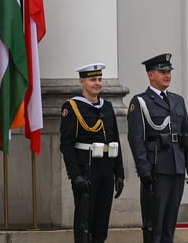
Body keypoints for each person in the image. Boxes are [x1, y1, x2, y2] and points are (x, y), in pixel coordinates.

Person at [127, 53, 188, 243]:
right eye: (162, 71)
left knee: (169, 223)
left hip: (176, 167)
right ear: (150, 75)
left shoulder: (177, 100)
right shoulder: (140, 102)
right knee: (154, 224)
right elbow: (136, 139)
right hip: (157, 168)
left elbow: (186, 137)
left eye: (168, 71)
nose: (167, 75)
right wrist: (144, 169)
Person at [59, 63, 125, 243]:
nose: (97, 83)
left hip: (106, 167)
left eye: (99, 79)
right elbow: (66, 145)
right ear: (82, 81)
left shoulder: (108, 107)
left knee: (101, 223)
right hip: (86, 170)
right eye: (92, 79)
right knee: (84, 223)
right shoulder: (72, 107)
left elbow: (115, 140)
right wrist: (75, 176)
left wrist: (119, 173)